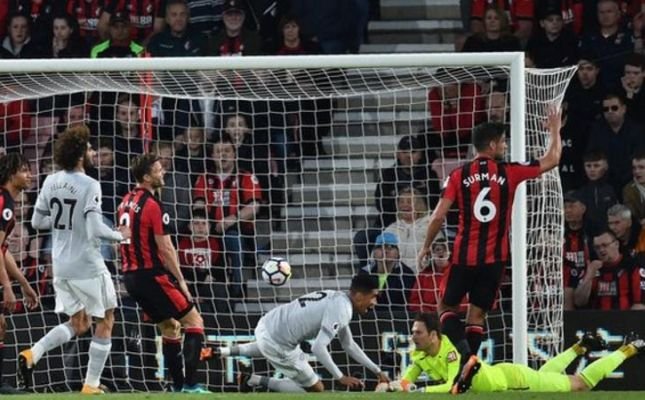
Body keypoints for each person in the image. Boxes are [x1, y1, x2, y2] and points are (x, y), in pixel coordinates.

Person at [417, 107, 563, 393]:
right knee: (477, 316)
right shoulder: (510, 171)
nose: (505, 146)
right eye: (504, 142)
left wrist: (426, 246)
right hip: (495, 259)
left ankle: (465, 359)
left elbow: (437, 216)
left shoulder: (458, 175)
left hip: (464, 257)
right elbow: (552, 159)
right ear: (493, 144)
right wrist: (555, 130)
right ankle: (467, 369)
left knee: (445, 308)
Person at [18, 126, 129, 394]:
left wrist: (65, 222)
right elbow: (94, 228)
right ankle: (91, 385)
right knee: (106, 319)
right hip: (87, 263)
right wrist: (120, 235)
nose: (93, 152)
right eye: (89, 148)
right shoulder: (90, 184)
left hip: (61, 265)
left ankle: (33, 353)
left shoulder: (50, 180)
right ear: (80, 154)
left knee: (80, 323)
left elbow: (37, 222)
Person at [117, 153, 209, 393]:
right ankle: (191, 385)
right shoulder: (153, 205)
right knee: (194, 322)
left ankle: (177, 386)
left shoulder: (125, 201)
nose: (163, 172)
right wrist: (181, 281)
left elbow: (123, 238)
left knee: (169, 327)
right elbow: (166, 248)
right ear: (147, 177)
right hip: (151, 275)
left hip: (131, 277)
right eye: (159, 170)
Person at [380, 313, 644, 394]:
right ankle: (579, 347)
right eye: (413, 332)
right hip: (506, 376)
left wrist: (419, 391)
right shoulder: (420, 355)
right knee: (543, 379)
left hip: (512, 382)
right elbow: (407, 380)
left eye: (417, 332)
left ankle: (630, 348)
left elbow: (451, 386)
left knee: (580, 384)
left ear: (433, 335)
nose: (412, 336)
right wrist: (394, 386)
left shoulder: (450, 352)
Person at [209, 274, 389, 392]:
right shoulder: (343, 309)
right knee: (317, 389)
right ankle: (252, 380)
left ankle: (222, 351)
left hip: (266, 324)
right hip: (278, 341)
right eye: (373, 296)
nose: (375, 303)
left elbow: (348, 344)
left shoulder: (337, 298)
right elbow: (318, 348)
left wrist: (377, 370)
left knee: (270, 345)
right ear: (359, 295)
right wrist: (340, 377)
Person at [0, 153, 39, 394]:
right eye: (24, 170)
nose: (30, 175)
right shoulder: (4, 204)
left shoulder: (7, 202)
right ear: (11, 173)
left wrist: (24, 283)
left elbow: (3, 251)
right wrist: (8, 287)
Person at [574, 230, 645, 310]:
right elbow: (579, 302)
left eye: (605, 245)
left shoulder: (632, 267)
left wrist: (625, 318)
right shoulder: (593, 268)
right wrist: (589, 276)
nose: (601, 250)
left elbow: (640, 305)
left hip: (625, 316)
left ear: (616, 244)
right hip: (596, 317)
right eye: (597, 247)